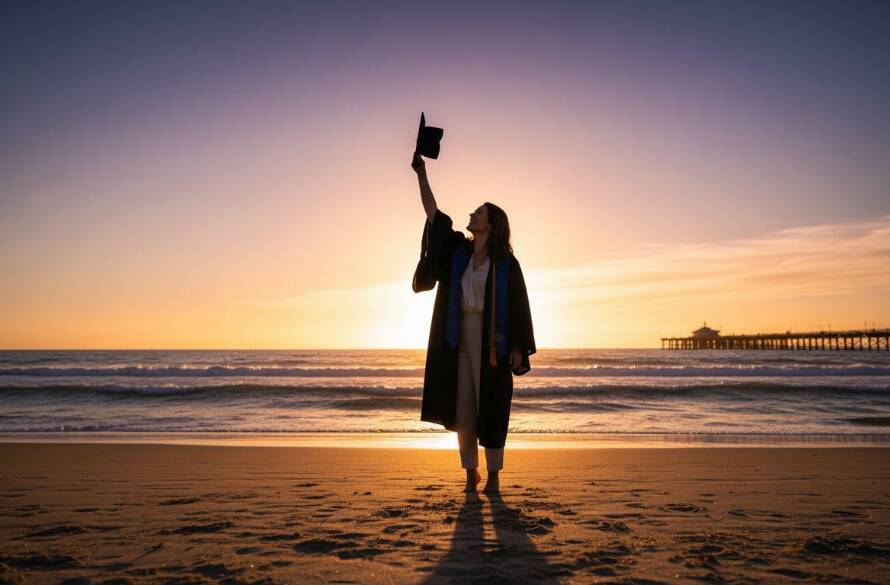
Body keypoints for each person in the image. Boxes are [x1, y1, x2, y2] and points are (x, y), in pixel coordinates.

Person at [411, 151, 536, 493]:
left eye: (478, 213)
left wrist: (515, 345)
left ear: (491, 223)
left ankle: (494, 475)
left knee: (492, 408)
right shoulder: (458, 252)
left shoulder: (506, 263)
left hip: (492, 341)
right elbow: (434, 215)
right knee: (464, 409)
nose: (471, 214)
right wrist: (421, 174)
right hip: (457, 337)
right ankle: (470, 473)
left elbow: (520, 305)